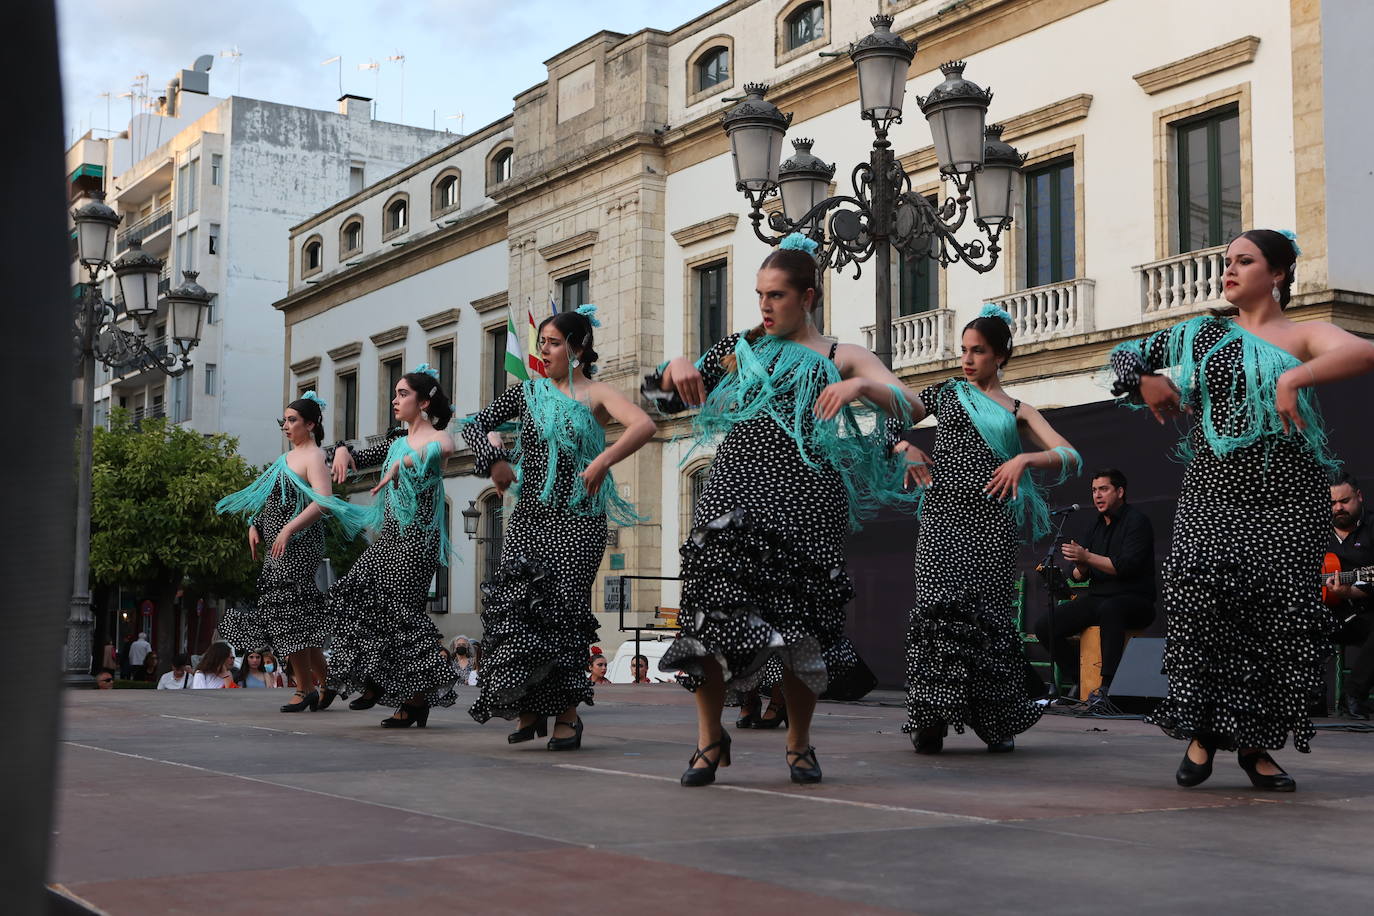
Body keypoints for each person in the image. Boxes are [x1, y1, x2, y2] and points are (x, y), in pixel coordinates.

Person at [645, 234, 922, 786]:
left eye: (776, 295)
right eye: (759, 295)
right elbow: (667, 399)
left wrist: (861, 385)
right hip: (734, 488)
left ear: (809, 297)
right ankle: (708, 739)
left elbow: (913, 405)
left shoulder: (840, 355)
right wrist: (675, 363)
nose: (765, 306)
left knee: (802, 625)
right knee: (708, 611)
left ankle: (798, 742)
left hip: (807, 498)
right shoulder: (743, 346)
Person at [1109, 228, 1374, 792]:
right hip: (1214, 491)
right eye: (1226, 261)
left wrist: (1295, 375)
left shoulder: (1302, 335)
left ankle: (1255, 747)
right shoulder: (1204, 334)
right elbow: (1123, 356)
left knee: (1273, 618)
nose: (1228, 270)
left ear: (1276, 274)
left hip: (1286, 497)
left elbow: (1364, 350)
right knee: (1203, 603)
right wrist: (1148, 379)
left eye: (1244, 261)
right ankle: (1204, 731)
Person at [465, 305, 656, 750]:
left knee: (563, 613)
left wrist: (603, 460)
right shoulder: (528, 393)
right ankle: (530, 707)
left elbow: (643, 424)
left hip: (578, 520)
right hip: (530, 517)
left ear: (577, 349)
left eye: (551, 343)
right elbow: (478, 425)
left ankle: (567, 715)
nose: (542, 352)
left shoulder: (597, 394)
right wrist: (493, 459)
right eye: (540, 344)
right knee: (523, 612)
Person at [903, 304, 1081, 756]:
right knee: (937, 613)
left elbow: (1069, 454)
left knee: (990, 619)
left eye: (977, 351)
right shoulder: (946, 392)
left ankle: (996, 719)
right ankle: (930, 720)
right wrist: (905, 446)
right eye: (963, 350)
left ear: (1000, 356)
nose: (966, 359)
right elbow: (890, 421)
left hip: (991, 525)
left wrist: (1024, 458)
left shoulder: (1019, 409)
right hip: (942, 521)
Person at [327, 366, 461, 728]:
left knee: (400, 616)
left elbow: (444, 447)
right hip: (388, 540)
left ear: (424, 402)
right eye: (396, 393)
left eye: (403, 394)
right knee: (354, 593)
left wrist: (403, 462)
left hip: (416, 541)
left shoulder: (434, 438)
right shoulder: (395, 441)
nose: (395, 399)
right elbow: (356, 457)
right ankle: (392, 688)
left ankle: (402, 695)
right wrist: (341, 450)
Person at [216, 391, 360, 714]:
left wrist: (288, 529)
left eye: (292, 420)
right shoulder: (285, 459)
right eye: (284, 420)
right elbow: (268, 500)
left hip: (300, 545)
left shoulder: (314, 456)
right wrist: (254, 524)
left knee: (287, 615)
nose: (286, 425)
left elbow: (323, 502)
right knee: (295, 619)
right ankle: (327, 680)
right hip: (277, 547)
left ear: (310, 424)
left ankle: (305, 688)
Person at [1034, 468, 1156, 705]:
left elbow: (1125, 567)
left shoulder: (1137, 522)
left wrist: (1087, 557)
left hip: (1135, 600)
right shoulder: (1095, 526)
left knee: (1111, 609)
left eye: (1103, 489)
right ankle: (1080, 680)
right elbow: (1079, 576)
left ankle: (1108, 687)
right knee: (1045, 624)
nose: (1097, 496)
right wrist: (1081, 564)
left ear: (1120, 492)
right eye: (1093, 490)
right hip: (1099, 598)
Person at [1327, 472, 1374, 719]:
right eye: (1333, 503)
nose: (1338, 508)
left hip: (1365, 612)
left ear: (1359, 497)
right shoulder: (1316, 533)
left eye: (1344, 501)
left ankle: (1353, 695)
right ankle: (1306, 699)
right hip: (1324, 613)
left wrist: (1349, 591)